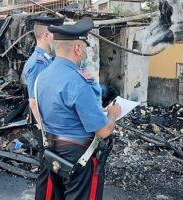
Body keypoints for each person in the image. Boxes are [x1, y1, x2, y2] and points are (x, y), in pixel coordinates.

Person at [35, 17, 121, 200]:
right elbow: (104, 131)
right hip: (78, 157)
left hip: (52, 150)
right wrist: (113, 114)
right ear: (77, 48)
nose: (85, 55)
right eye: (85, 49)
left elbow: (61, 110)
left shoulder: (43, 76)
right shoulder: (78, 82)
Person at [22, 15, 64, 123]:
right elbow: (34, 102)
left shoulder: (50, 59)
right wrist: (45, 132)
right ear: (46, 36)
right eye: (56, 35)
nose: (59, 39)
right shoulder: (38, 63)